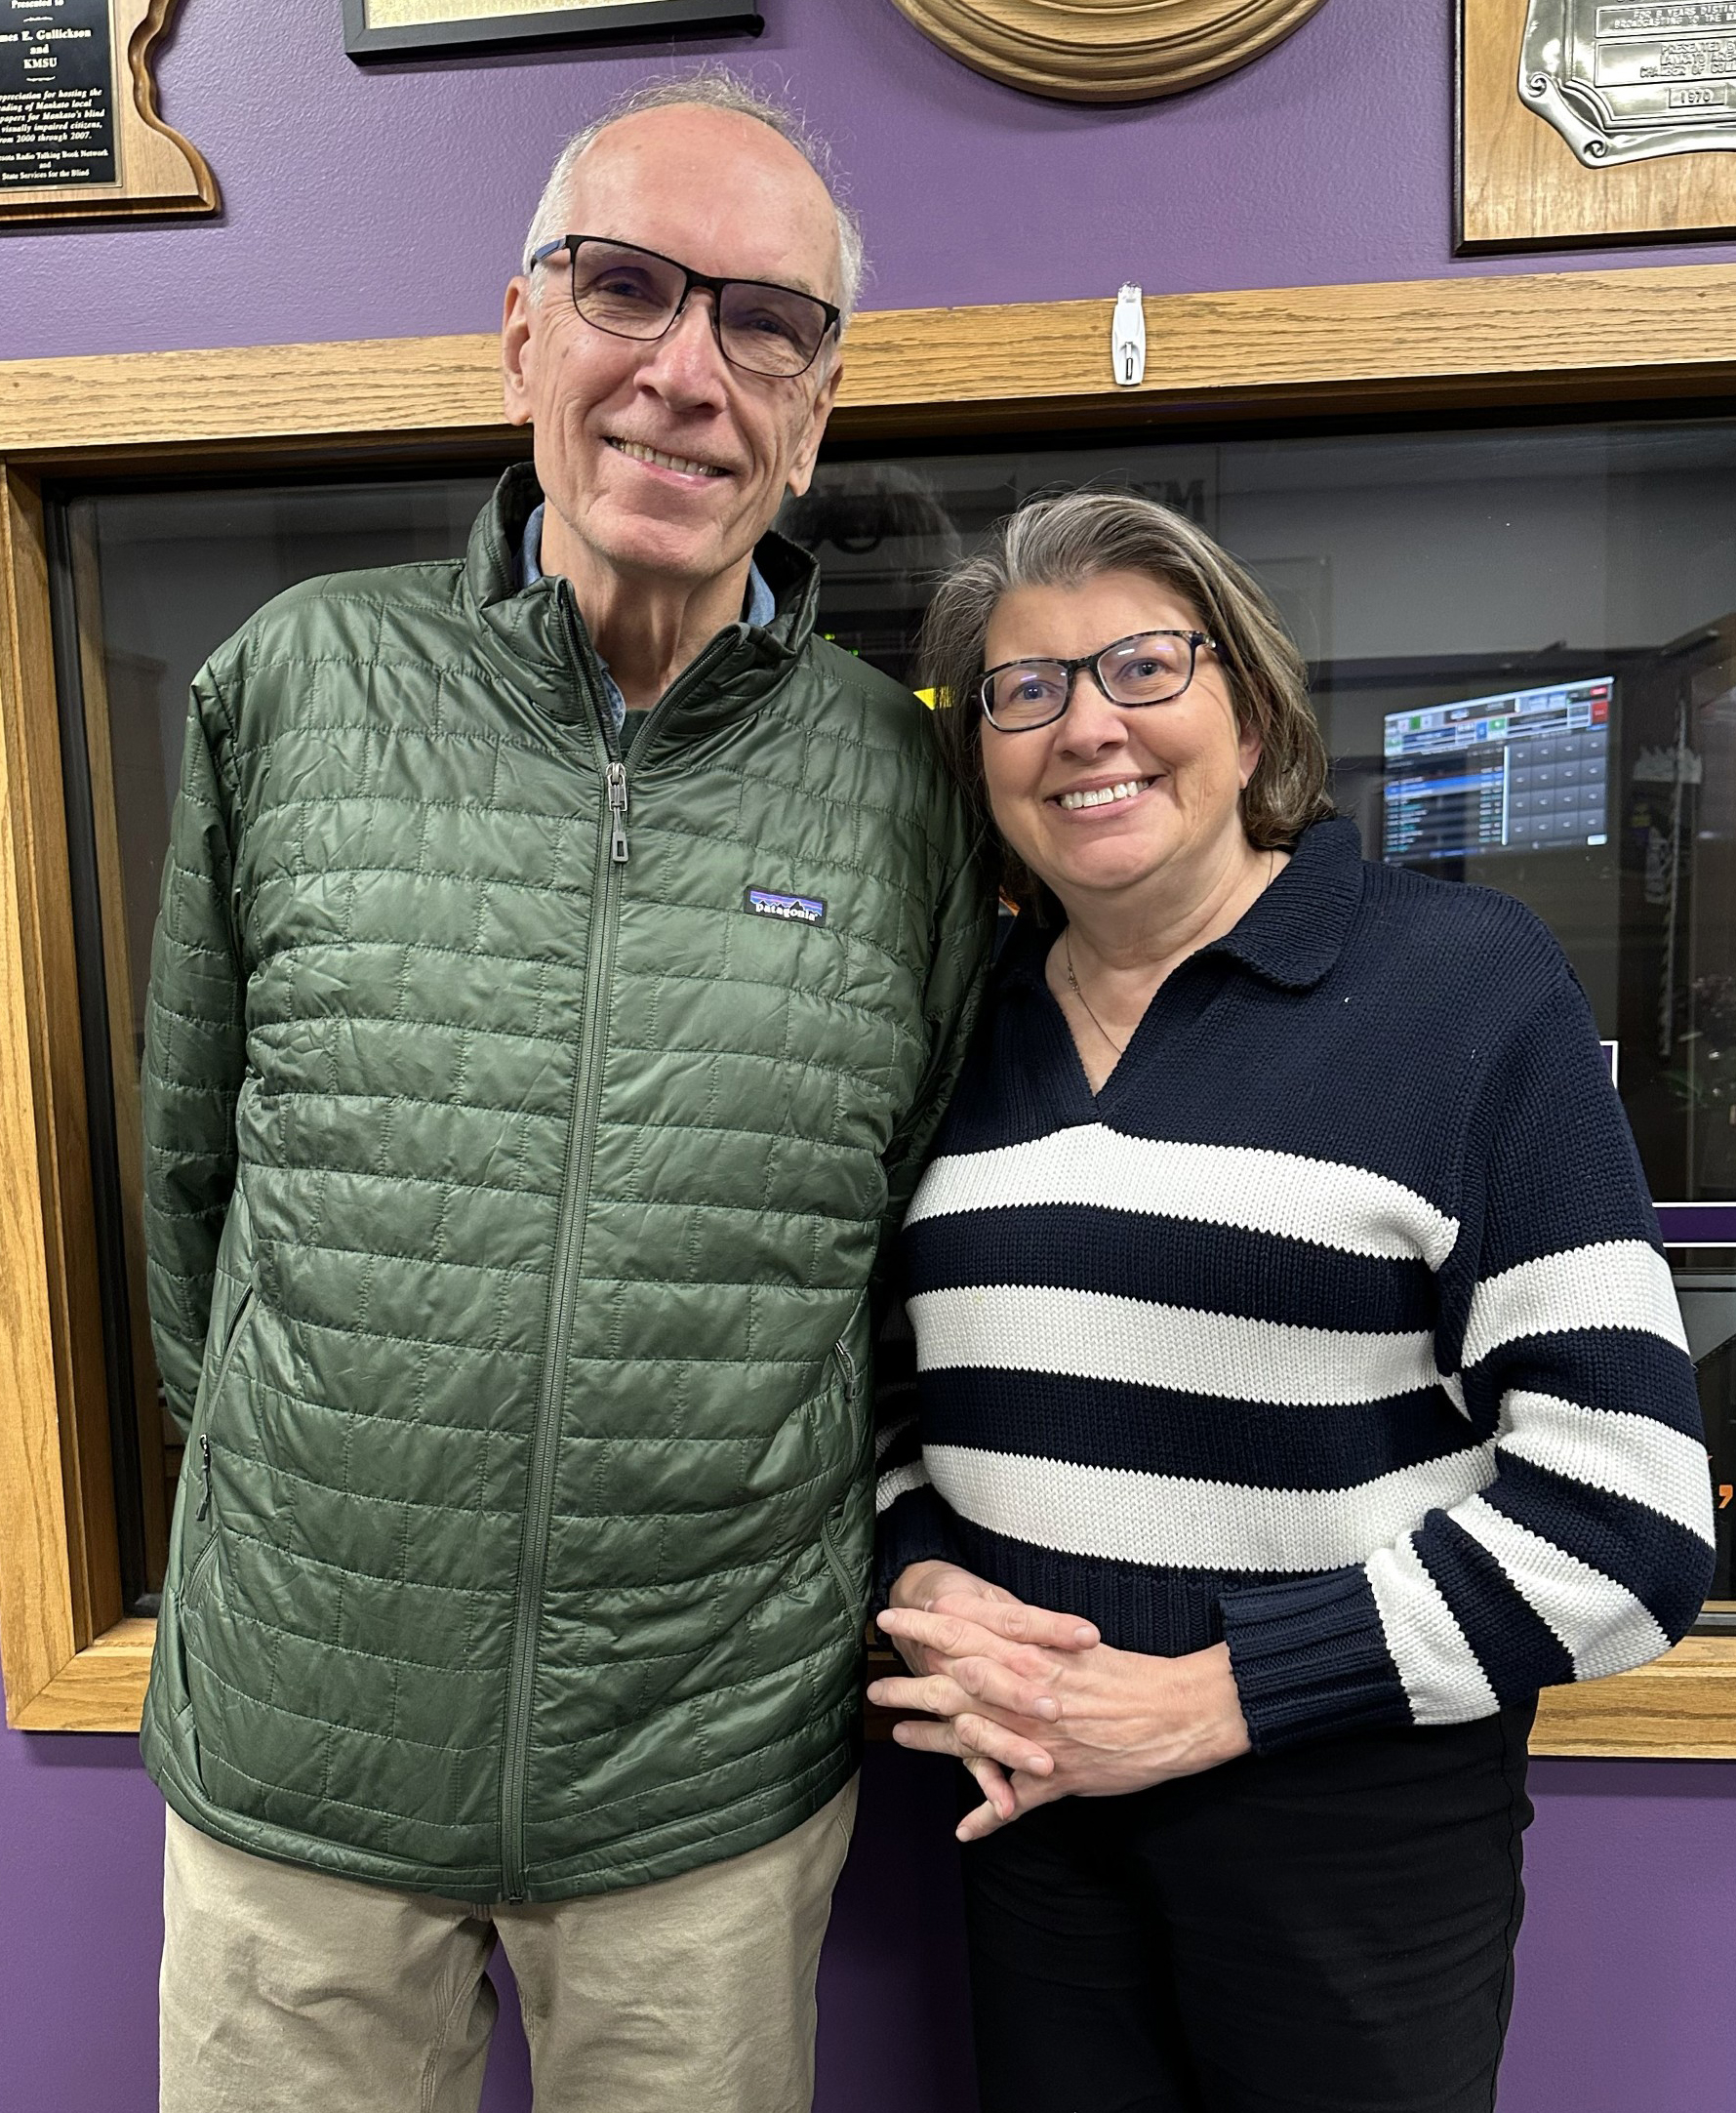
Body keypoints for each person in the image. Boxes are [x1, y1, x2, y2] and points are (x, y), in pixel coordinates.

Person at [134, 73, 989, 2111]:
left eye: (761, 321)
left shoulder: (906, 785)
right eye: (627, 289)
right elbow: (184, 1189)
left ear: (821, 400)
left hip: (699, 1788)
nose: (686, 373)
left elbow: (908, 1271)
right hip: (298, 1761)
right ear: (522, 328)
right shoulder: (293, 685)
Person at [865, 489, 1715, 2112]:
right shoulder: (953, 1025)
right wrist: (924, 1585)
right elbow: (896, 1410)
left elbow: (1633, 1523)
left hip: (1352, 1842)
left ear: (1248, 716)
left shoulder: (1460, 983)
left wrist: (1214, 1702)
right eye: (1024, 692)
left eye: (1142, 669)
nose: (1083, 727)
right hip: (1027, 1817)